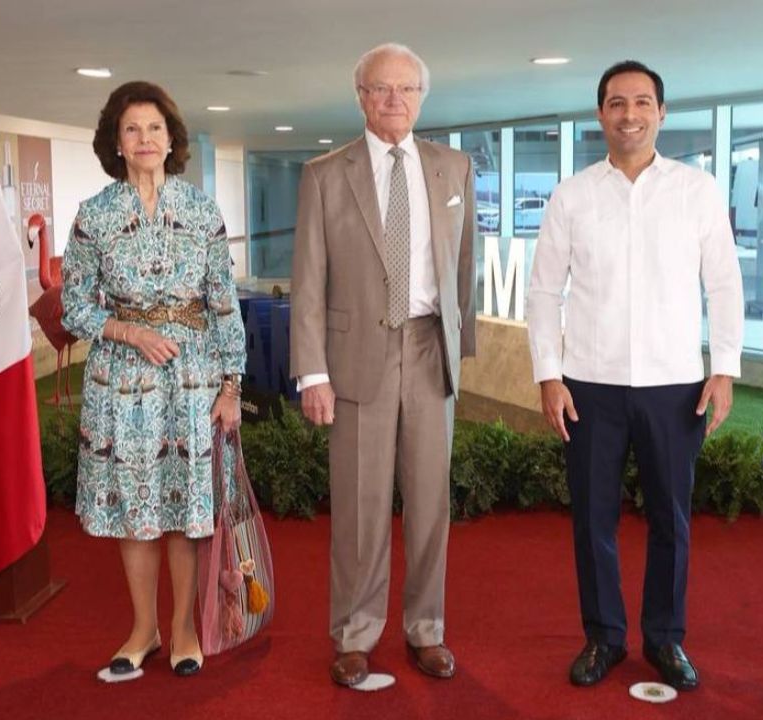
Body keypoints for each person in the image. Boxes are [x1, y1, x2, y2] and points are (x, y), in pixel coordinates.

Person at [526, 60, 744, 691]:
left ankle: (665, 638)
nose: (630, 114)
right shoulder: (572, 195)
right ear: (600, 114)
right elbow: (544, 293)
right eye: (617, 103)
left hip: (674, 384)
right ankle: (603, 637)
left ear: (661, 113)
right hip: (588, 383)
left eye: (642, 102)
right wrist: (549, 375)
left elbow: (724, 285)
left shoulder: (695, 191)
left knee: (671, 518)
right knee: (592, 517)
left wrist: (723, 370)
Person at [289, 43, 476, 688]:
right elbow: (309, 281)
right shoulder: (324, 174)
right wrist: (311, 372)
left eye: (405, 89)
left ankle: (427, 630)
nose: (393, 99)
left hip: (430, 350)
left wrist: (462, 353)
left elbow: (462, 269)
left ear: (421, 97)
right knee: (361, 506)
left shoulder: (455, 168)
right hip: (353, 360)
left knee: (431, 504)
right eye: (379, 88)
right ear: (360, 96)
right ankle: (354, 634)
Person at [61, 81, 245, 680]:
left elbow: (224, 304)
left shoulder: (202, 212)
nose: (144, 139)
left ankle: (187, 627)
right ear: (116, 141)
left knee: (184, 510)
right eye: (132, 129)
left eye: (154, 129)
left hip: (192, 381)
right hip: (121, 384)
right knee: (135, 512)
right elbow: (73, 308)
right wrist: (128, 331)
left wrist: (231, 387)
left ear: (172, 140)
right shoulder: (94, 216)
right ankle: (144, 630)